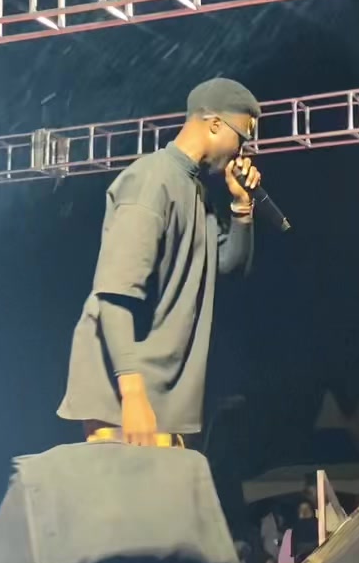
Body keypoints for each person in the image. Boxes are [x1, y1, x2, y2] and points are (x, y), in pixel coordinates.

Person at [58, 78, 262, 446]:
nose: (242, 151)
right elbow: (115, 293)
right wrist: (133, 394)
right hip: (122, 393)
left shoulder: (195, 190)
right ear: (215, 124)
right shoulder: (151, 181)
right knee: (127, 484)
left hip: (160, 392)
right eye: (241, 138)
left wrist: (242, 206)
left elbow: (228, 266)